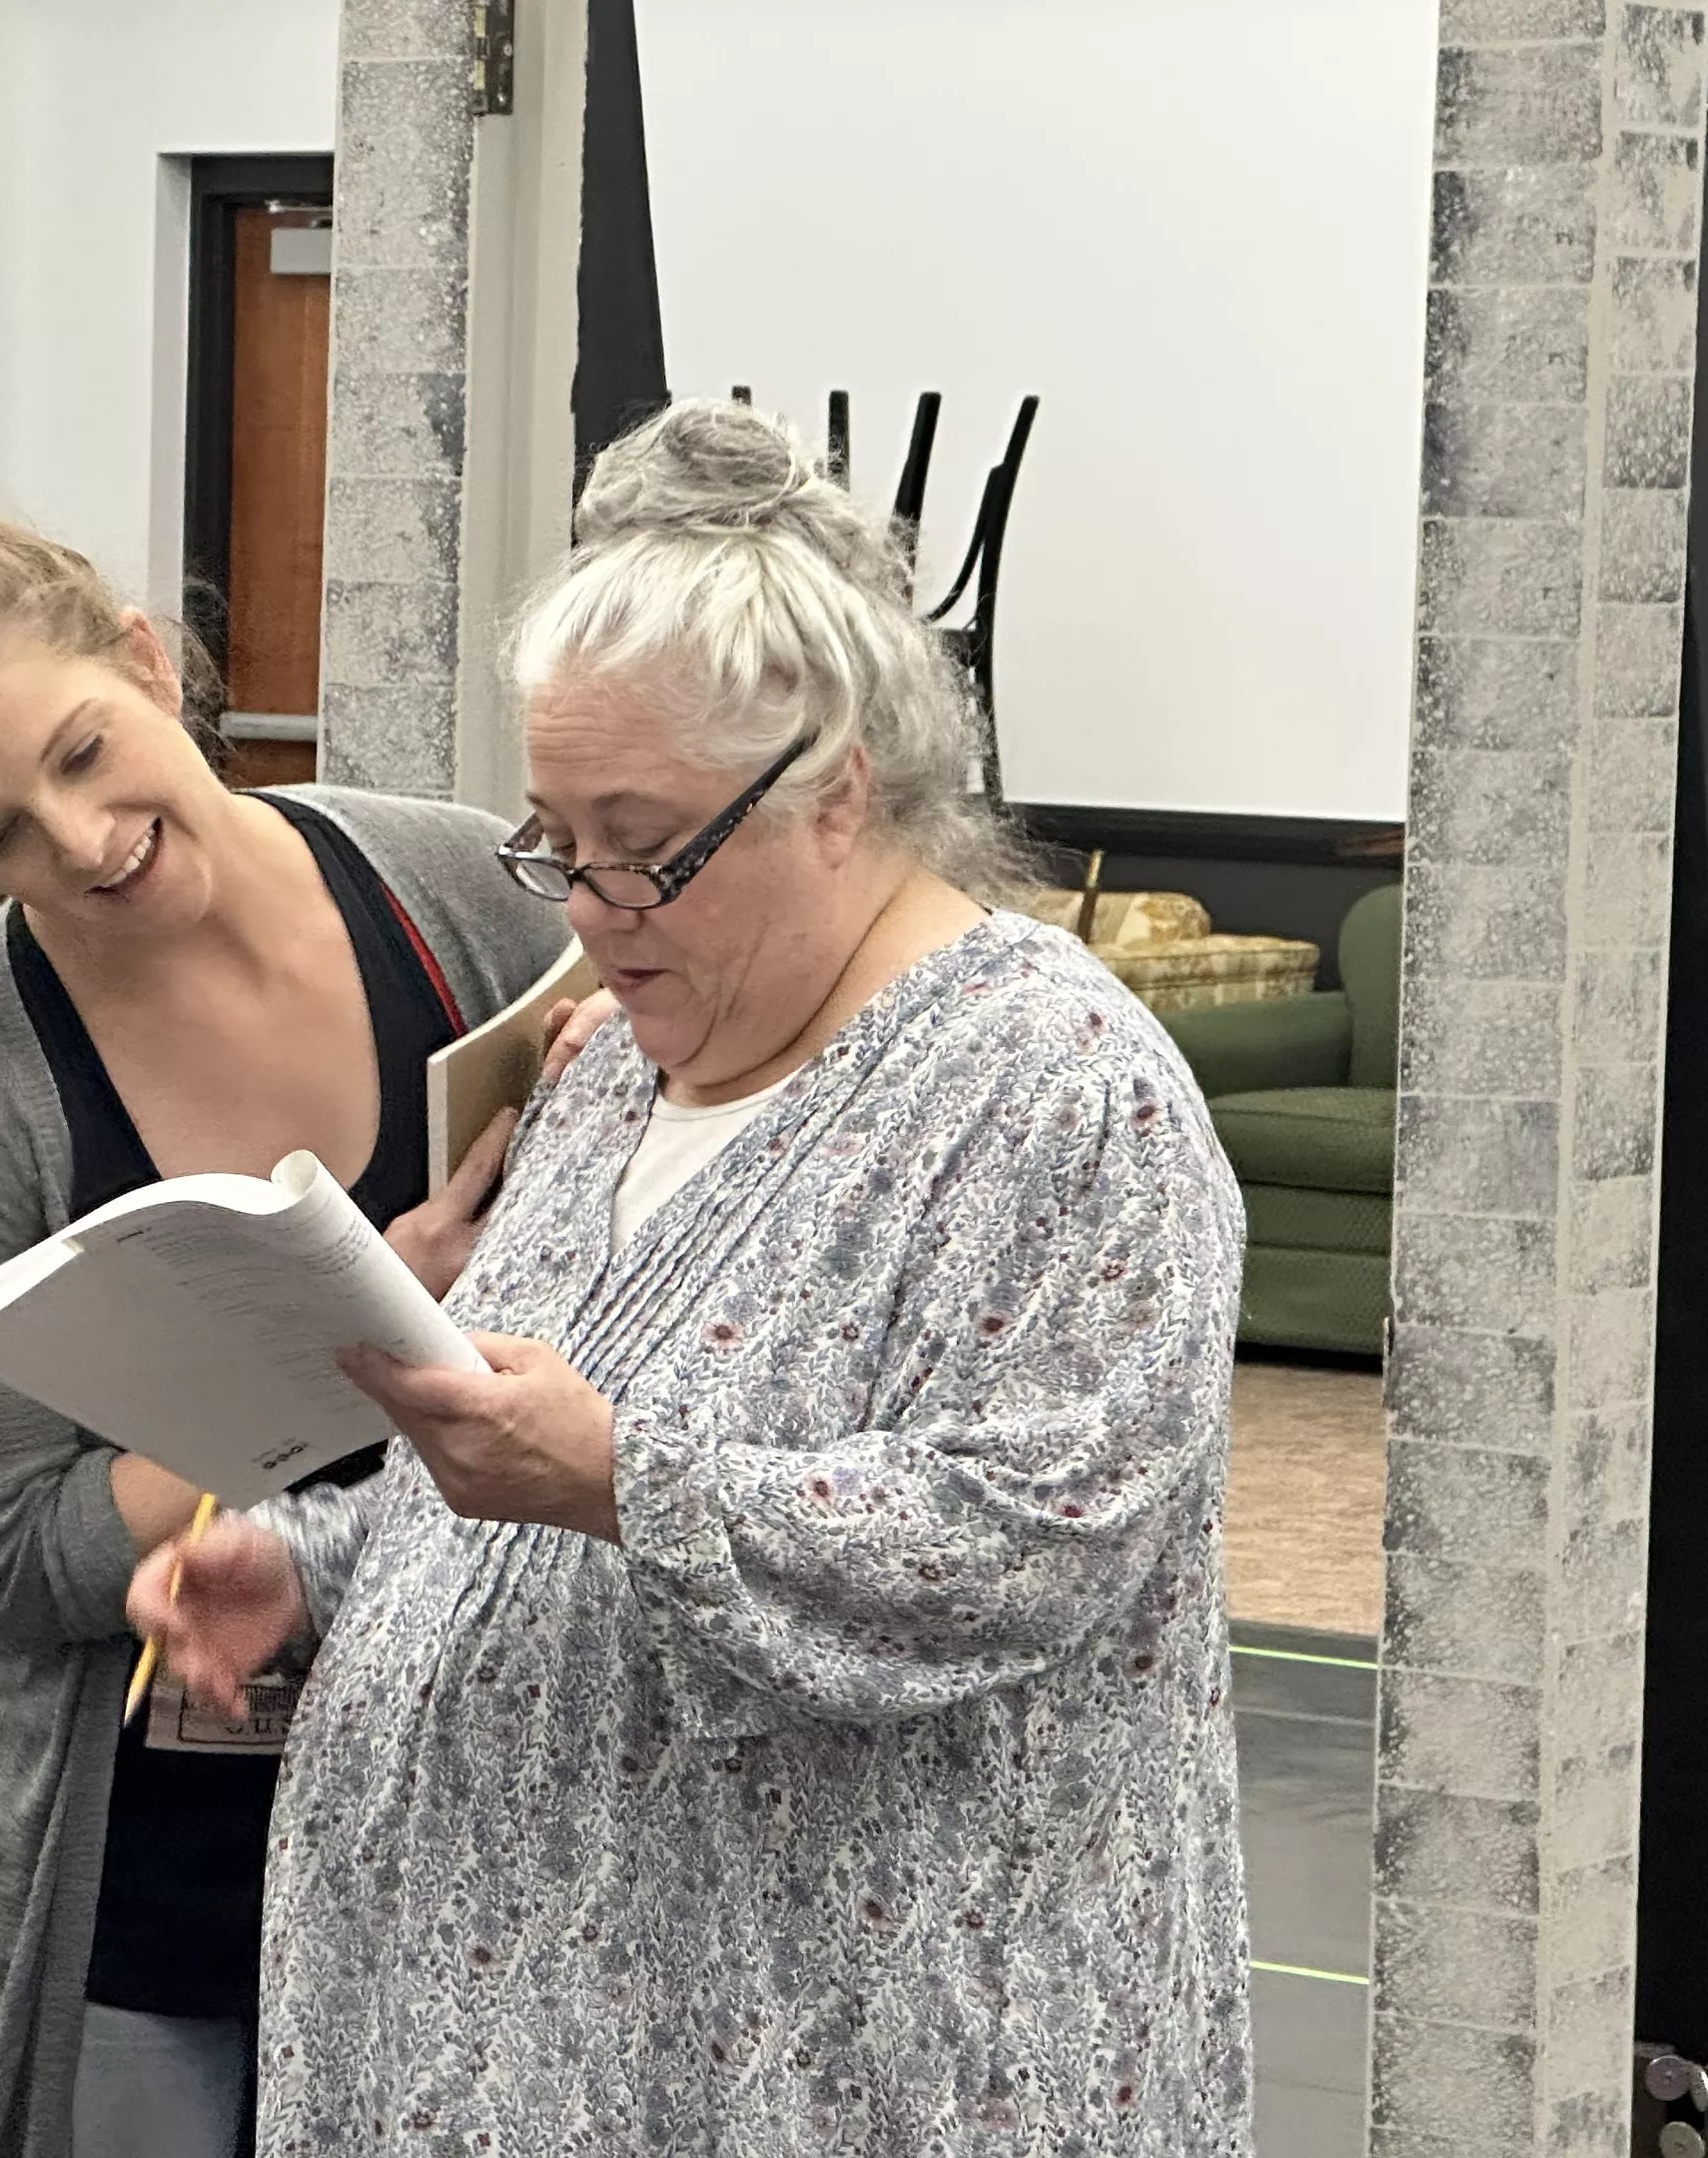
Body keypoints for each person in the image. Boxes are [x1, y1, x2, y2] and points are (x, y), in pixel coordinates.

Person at [130, 400, 1256, 2154]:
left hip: (856, 2076)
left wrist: (621, 1483)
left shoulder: (1054, 1090)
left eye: (642, 841)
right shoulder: (607, 1069)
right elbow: (526, 1460)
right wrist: (321, 1563)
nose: (586, 904)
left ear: (837, 794)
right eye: (552, 839)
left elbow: (1036, 1535)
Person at [0, 460, 578, 2157]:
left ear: (146, 660)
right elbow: (16, 1556)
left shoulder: (465, 893)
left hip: (486, 1832)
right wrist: (361, 1332)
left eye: (81, 757)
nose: (83, 844)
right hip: (148, 1888)